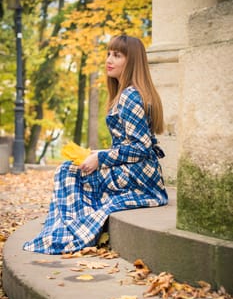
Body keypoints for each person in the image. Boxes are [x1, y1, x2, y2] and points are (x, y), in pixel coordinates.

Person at [23, 35, 168, 254]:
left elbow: (141, 148)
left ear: (132, 62)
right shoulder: (126, 93)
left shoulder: (131, 96)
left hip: (142, 176)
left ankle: (71, 230)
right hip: (135, 169)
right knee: (70, 167)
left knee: (68, 173)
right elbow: (129, 144)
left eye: (117, 55)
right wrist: (97, 153)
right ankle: (68, 225)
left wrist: (100, 159)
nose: (109, 59)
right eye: (109, 53)